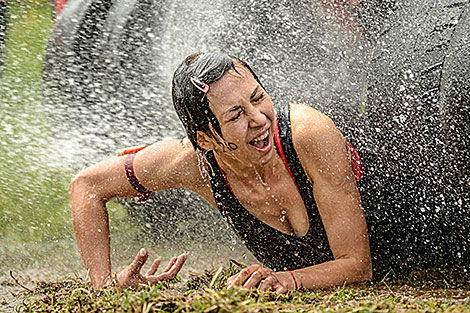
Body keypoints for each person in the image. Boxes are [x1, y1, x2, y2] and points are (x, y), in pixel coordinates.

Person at [69, 51, 372, 292]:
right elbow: (86, 187)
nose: (259, 119)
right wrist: (104, 286)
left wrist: (287, 279)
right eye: (236, 114)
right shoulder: (192, 162)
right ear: (206, 139)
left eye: (257, 98)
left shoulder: (308, 135)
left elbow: (357, 265)